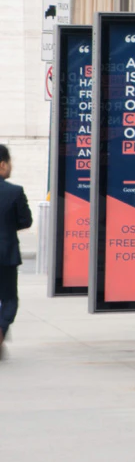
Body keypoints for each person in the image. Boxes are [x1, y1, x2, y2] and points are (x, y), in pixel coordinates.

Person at [0, 144, 30, 358]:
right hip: (6, 254)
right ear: (2, 165)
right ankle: (1, 328)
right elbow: (26, 221)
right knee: (9, 298)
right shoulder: (15, 192)